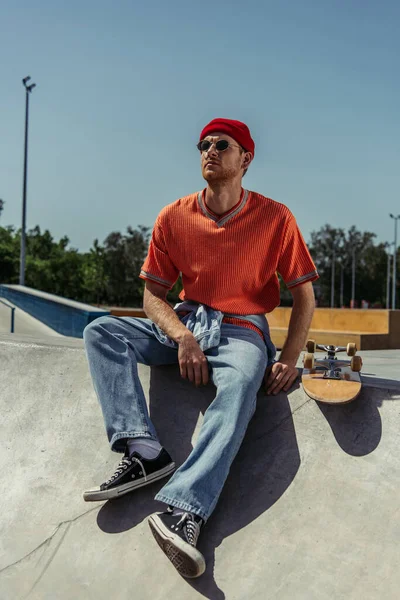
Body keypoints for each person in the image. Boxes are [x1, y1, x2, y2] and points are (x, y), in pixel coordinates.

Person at [83, 118, 318, 578]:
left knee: (239, 392)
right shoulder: (174, 216)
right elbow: (153, 295)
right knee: (102, 332)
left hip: (242, 330)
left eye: (221, 145)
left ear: (245, 159)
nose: (209, 150)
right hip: (187, 322)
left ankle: (187, 513)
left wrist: (288, 359)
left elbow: (304, 294)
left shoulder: (275, 217)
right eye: (203, 144)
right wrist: (183, 337)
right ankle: (144, 452)